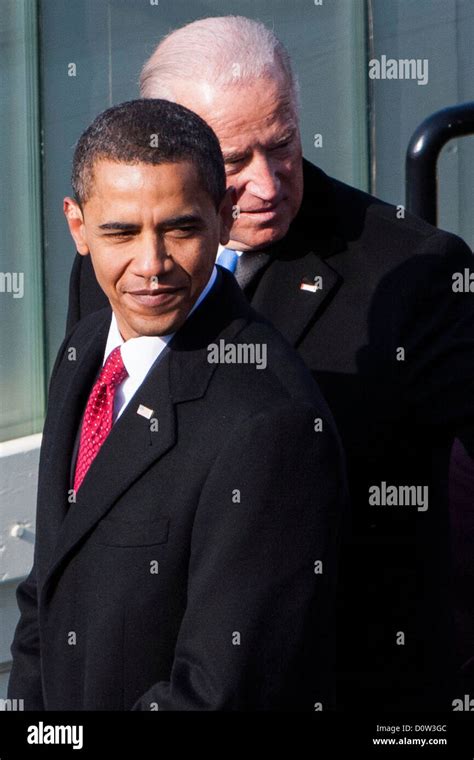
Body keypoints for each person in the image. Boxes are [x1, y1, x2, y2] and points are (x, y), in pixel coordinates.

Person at [64, 16, 474, 712]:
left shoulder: (414, 273)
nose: (265, 183)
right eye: (231, 161)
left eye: (280, 144)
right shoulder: (118, 264)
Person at [8, 99, 346, 711]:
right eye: (120, 232)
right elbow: (46, 596)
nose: (152, 265)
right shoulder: (86, 347)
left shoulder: (271, 423)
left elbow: (218, 693)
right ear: (77, 228)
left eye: (180, 229)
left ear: (223, 218)